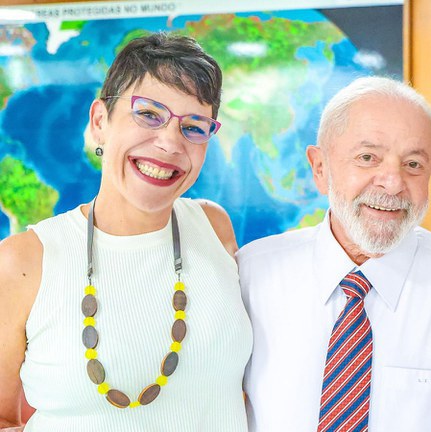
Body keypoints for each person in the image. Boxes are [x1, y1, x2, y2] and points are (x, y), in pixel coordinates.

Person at [238, 76, 431, 431]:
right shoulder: (251, 276)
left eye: (413, 164)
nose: (392, 182)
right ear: (320, 168)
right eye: (367, 157)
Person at [0, 33, 252, 431]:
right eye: (149, 114)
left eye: (193, 126)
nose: (169, 143)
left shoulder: (213, 226)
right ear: (100, 122)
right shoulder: (23, 261)